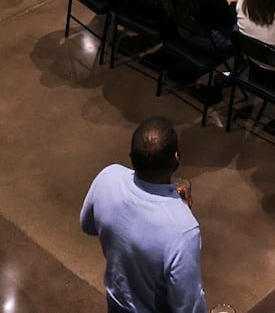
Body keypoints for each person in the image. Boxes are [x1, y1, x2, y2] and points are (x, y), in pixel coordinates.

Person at [79, 117, 205, 313]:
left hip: (116, 302)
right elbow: (188, 306)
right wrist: (179, 215)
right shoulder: (183, 231)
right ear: (177, 158)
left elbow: (87, 225)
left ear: (131, 155)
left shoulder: (108, 177)